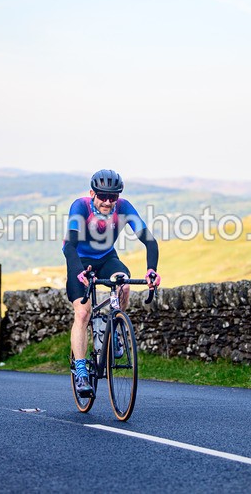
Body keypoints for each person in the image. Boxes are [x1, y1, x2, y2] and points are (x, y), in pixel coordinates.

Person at [63, 169, 161, 397]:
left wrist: (152, 270)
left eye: (113, 197)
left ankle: (115, 328)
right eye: (102, 196)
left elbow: (149, 241)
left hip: (107, 258)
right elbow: (69, 246)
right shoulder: (80, 206)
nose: (108, 202)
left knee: (123, 283)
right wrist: (79, 271)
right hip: (79, 259)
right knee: (83, 313)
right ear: (92, 193)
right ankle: (80, 371)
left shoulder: (124, 207)